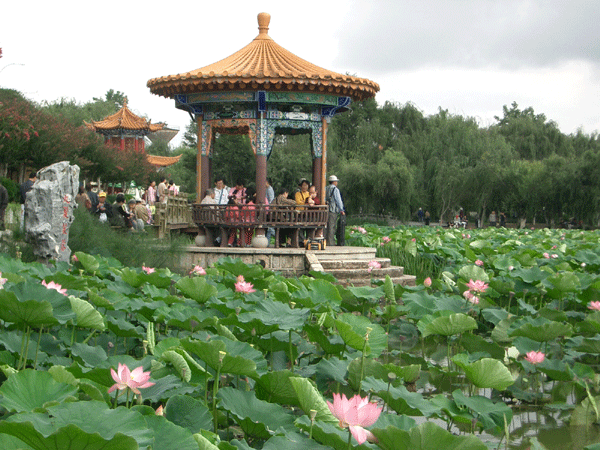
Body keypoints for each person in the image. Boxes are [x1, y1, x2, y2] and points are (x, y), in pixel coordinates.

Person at [325, 175, 345, 246]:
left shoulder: (326, 188)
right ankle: (330, 243)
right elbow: (338, 200)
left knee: (326, 226)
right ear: (334, 182)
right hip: (333, 210)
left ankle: (325, 241)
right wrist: (341, 209)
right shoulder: (335, 189)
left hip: (325, 209)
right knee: (332, 226)